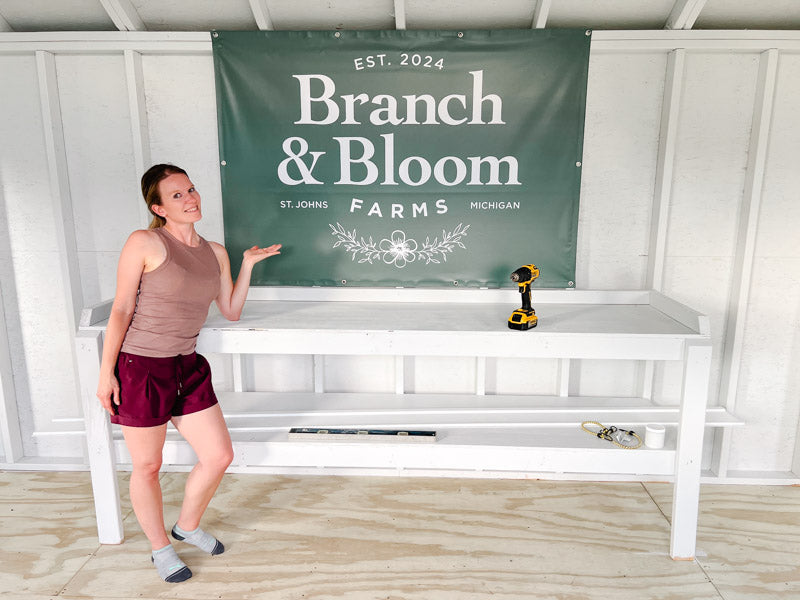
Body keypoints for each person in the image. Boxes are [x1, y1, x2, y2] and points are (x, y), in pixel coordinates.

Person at [96, 164, 280, 583]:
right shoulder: (144, 241)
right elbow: (122, 309)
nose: (190, 198)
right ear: (159, 207)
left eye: (191, 190)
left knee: (218, 456)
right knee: (147, 465)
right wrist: (106, 374)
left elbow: (230, 311)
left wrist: (248, 264)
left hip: (188, 365)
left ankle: (188, 526)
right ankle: (161, 549)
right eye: (177, 195)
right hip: (141, 366)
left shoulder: (214, 252)